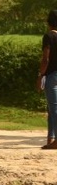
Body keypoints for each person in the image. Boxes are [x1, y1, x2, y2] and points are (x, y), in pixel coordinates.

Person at [38, 9, 57, 149]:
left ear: (49, 22)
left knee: (54, 108)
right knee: (52, 108)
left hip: (52, 75)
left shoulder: (49, 36)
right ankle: (51, 138)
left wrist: (40, 75)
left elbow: (46, 58)